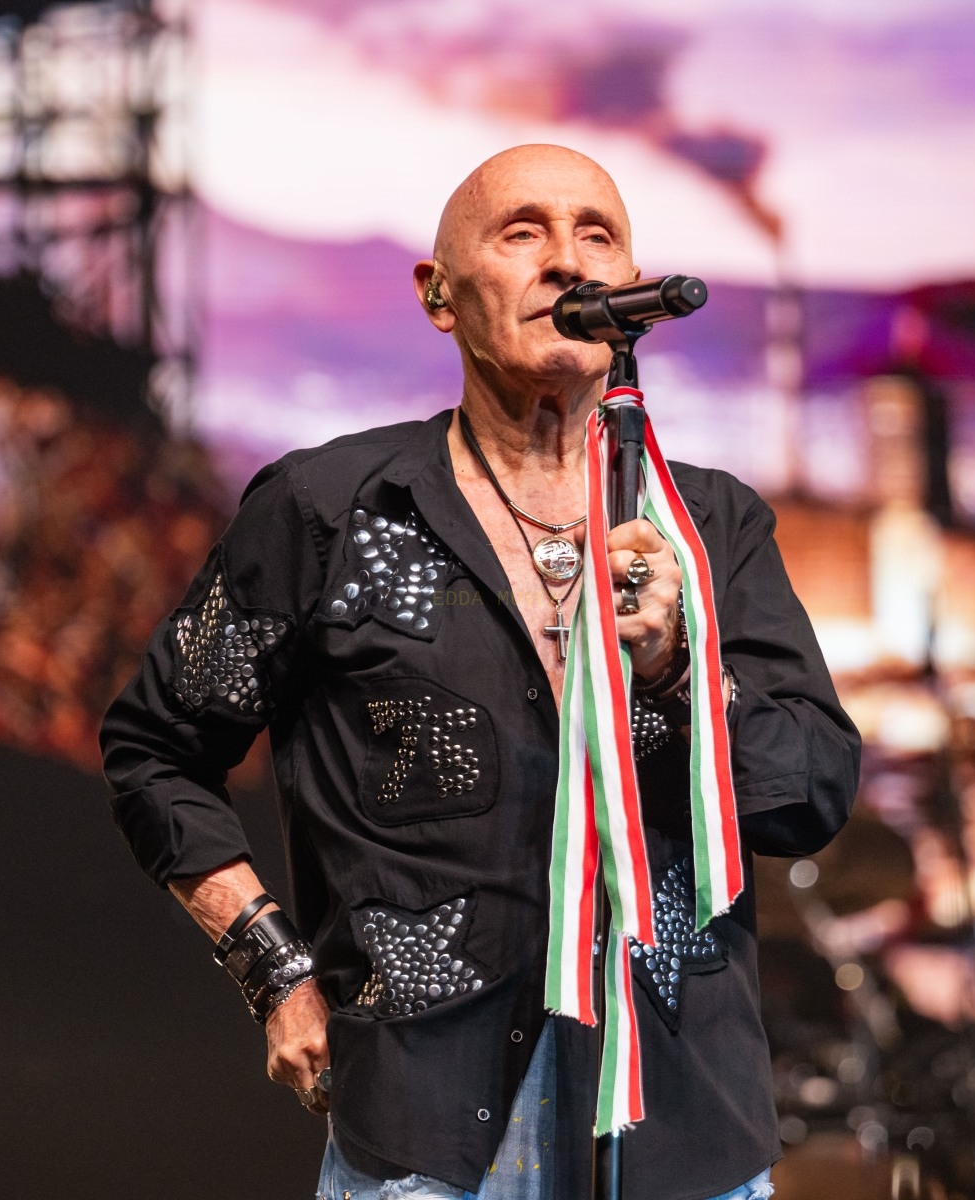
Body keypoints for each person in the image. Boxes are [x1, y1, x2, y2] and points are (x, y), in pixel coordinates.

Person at [99, 144, 860, 1200]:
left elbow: (810, 793)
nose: (567, 261)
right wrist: (275, 973)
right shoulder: (327, 513)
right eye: (523, 231)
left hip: (685, 1127)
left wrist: (681, 668)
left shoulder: (710, 529)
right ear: (438, 294)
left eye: (597, 235)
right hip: (424, 1131)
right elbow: (156, 749)